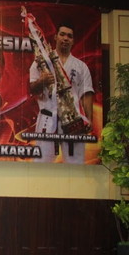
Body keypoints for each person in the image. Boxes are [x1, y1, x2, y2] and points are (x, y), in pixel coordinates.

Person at [29, 22, 94, 163]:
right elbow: (32, 89)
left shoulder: (80, 66)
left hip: (73, 120)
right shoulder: (41, 62)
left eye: (69, 36)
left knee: (76, 163)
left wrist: (89, 119)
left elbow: (86, 93)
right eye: (62, 34)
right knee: (41, 163)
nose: (65, 38)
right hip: (47, 118)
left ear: (73, 40)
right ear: (55, 37)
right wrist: (42, 81)